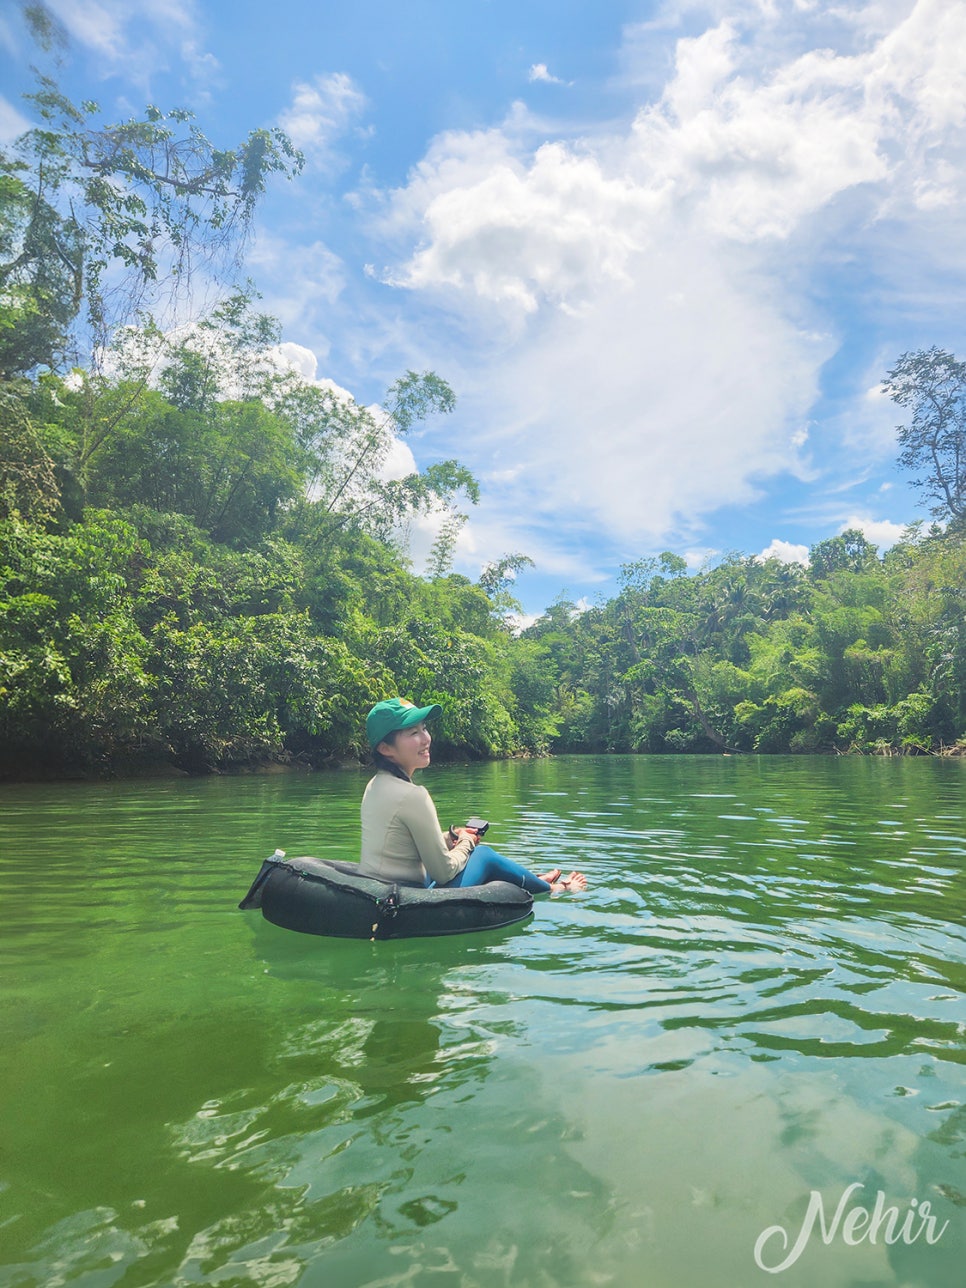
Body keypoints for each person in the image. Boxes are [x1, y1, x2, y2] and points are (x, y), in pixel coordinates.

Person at [359, 697, 587, 895]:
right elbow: (443, 871)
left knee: (465, 849)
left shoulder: (375, 785)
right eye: (413, 733)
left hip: (382, 888)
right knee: (483, 855)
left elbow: (401, 843)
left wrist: (452, 836)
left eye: (424, 728)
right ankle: (555, 889)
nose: (426, 739)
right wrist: (467, 843)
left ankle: (535, 880)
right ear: (385, 749)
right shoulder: (414, 795)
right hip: (407, 901)